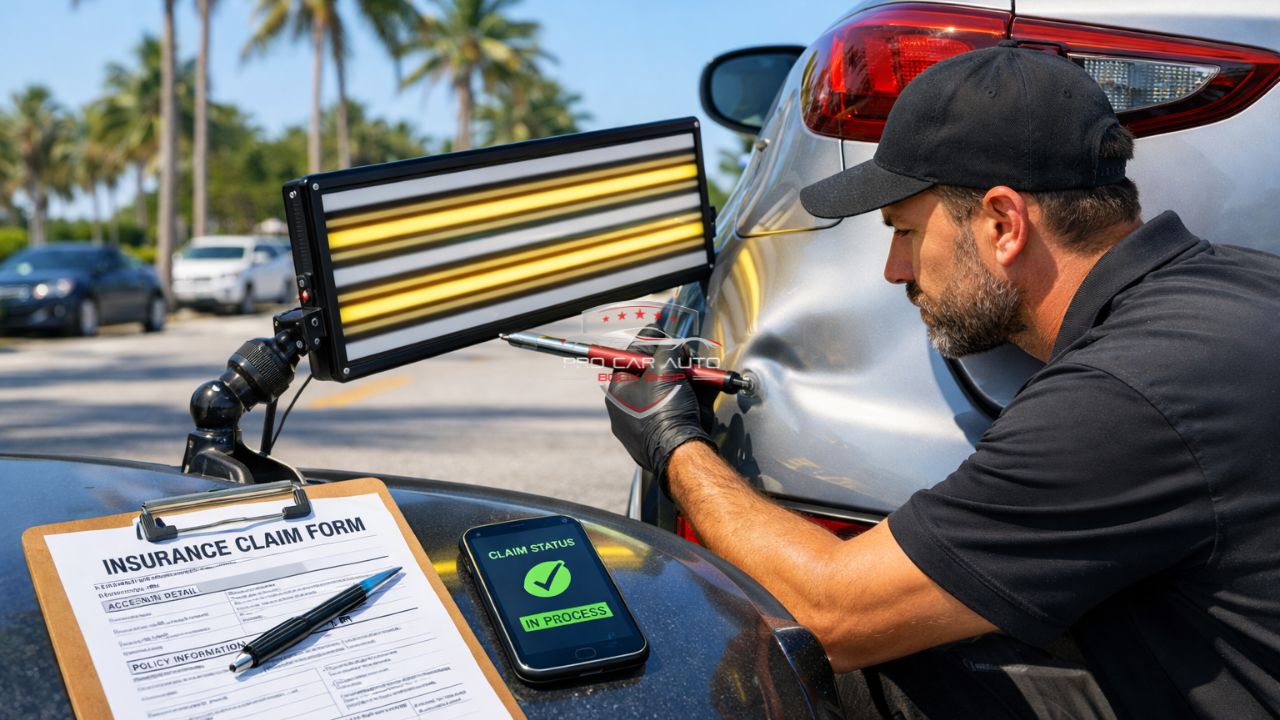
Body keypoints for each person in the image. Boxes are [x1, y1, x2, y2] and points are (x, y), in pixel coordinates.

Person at [604, 42, 1280, 719]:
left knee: (815, 665)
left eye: (903, 230)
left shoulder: (1123, 396)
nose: (896, 270)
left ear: (1003, 223)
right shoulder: (1240, 286)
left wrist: (672, 443)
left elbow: (830, 613)